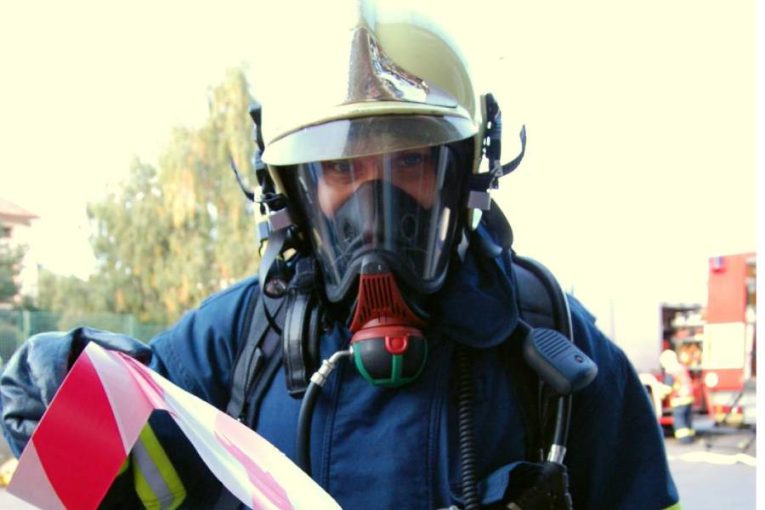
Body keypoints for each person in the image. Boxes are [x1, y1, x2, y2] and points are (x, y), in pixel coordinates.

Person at [0, 3, 681, 509]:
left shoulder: (557, 354)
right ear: (292, 192)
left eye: (410, 161)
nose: (374, 211)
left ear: (465, 172)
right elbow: (74, 452)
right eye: (342, 170)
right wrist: (65, 392)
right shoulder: (236, 343)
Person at [660, 349, 696, 444]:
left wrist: (660, 393)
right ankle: (690, 439)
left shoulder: (670, 371)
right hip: (688, 397)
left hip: (679, 399)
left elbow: (668, 388)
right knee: (687, 419)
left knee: (680, 420)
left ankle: (684, 440)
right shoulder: (681, 368)